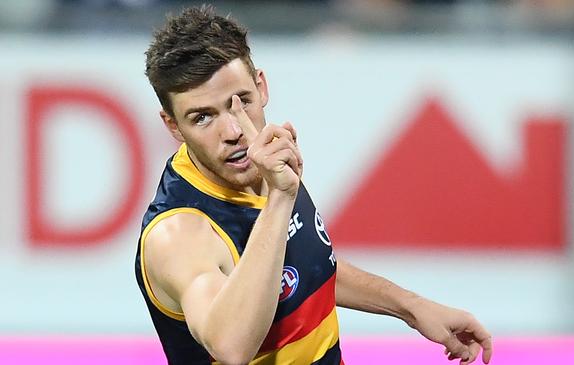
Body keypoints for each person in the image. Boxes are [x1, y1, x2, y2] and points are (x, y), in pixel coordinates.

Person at [134, 4, 493, 365]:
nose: (233, 132)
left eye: (240, 102)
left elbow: (307, 266)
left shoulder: (265, 163)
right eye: (202, 118)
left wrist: (413, 309)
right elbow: (230, 346)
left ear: (261, 87)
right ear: (173, 126)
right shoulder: (179, 233)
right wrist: (280, 198)